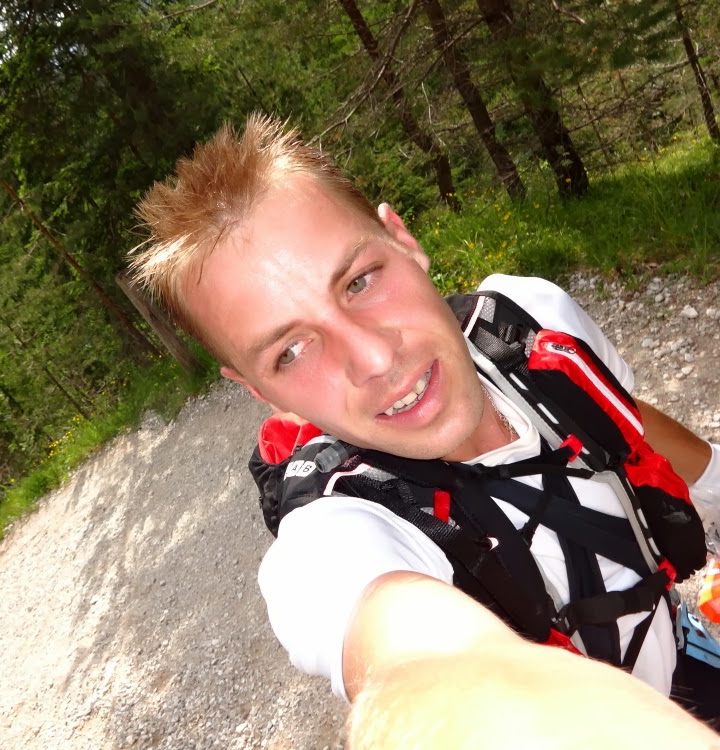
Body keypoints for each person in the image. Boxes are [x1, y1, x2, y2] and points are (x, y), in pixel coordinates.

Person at [130, 114, 720, 728]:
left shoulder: (531, 322)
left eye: (359, 281)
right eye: (291, 351)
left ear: (404, 241)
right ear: (260, 392)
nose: (376, 359)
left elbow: (626, 422)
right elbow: (404, 654)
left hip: (687, 650)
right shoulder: (336, 532)